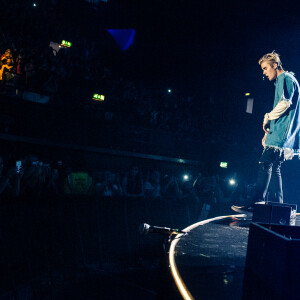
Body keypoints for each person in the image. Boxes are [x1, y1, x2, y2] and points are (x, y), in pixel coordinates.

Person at [232, 51, 300, 213]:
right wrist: (268, 130)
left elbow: (285, 104)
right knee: (274, 166)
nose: (264, 72)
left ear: (275, 65)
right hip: (280, 132)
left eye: (265, 68)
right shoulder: (285, 80)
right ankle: (277, 205)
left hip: (282, 133)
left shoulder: (285, 78)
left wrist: (268, 116)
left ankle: (257, 201)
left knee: (265, 163)